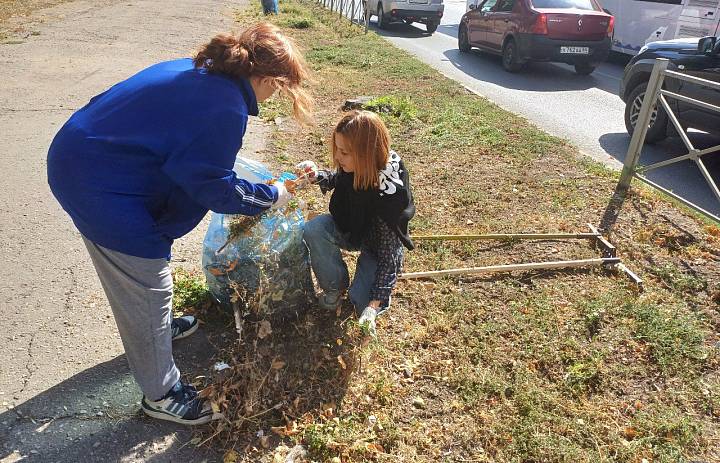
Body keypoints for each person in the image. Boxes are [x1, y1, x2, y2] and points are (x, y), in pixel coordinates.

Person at [47, 23, 312, 425]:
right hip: (97, 183)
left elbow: (185, 155)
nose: (274, 96)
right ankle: (161, 394)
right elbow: (215, 189)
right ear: (264, 78)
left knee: (137, 281)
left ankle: (156, 325)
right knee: (148, 280)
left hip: (86, 156)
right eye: (277, 87)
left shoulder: (202, 72)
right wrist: (273, 194)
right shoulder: (225, 107)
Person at [299, 110, 415, 337]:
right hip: (351, 228)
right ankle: (335, 287)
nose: (338, 158)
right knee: (314, 229)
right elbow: (337, 178)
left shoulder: (389, 196)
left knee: (360, 303)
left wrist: (373, 306)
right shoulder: (355, 166)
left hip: (376, 246)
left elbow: (390, 255)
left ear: (366, 154)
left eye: (344, 152)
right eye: (337, 149)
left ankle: (366, 299)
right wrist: (316, 176)